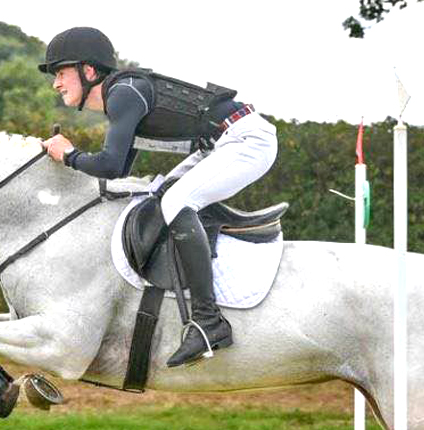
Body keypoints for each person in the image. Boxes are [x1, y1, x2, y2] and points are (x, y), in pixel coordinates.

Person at [36, 27, 277, 367]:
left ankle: (208, 322)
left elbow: (109, 164)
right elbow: (118, 173)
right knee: (158, 195)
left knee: (176, 202)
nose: (56, 84)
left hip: (246, 140)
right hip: (218, 144)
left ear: (88, 71)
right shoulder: (122, 96)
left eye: (60, 73)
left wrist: (70, 154)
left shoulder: (123, 94)